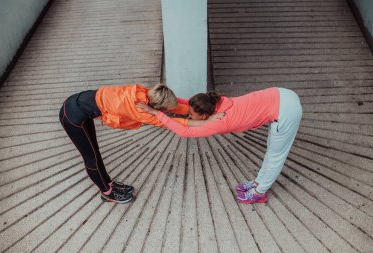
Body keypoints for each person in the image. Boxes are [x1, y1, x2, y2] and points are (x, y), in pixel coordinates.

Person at [137, 87, 302, 204]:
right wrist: (165, 102)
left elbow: (185, 132)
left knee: (275, 155)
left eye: (192, 115)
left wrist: (156, 114)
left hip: (286, 111)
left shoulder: (220, 122)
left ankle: (259, 193)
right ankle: (258, 183)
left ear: (205, 116)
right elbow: (188, 103)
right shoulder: (214, 102)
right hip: (280, 94)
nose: (189, 116)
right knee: (271, 150)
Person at [59, 84, 210, 204]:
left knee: (95, 151)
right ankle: (107, 193)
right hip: (73, 117)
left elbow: (173, 106)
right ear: (157, 108)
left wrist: (199, 111)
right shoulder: (140, 111)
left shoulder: (146, 93)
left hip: (77, 104)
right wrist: (204, 122)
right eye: (164, 110)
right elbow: (171, 122)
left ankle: (108, 184)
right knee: (91, 156)